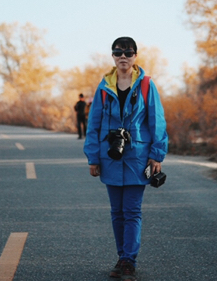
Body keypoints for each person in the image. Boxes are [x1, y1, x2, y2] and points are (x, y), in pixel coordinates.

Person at [84, 37, 168, 281]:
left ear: (135, 56)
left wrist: (156, 155)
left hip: (137, 158)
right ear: (112, 56)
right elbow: (93, 125)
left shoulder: (146, 85)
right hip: (110, 157)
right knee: (117, 212)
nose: (123, 56)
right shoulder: (104, 87)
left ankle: (129, 261)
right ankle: (122, 257)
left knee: (132, 211)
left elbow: (157, 121)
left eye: (128, 52)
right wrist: (93, 157)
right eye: (118, 52)